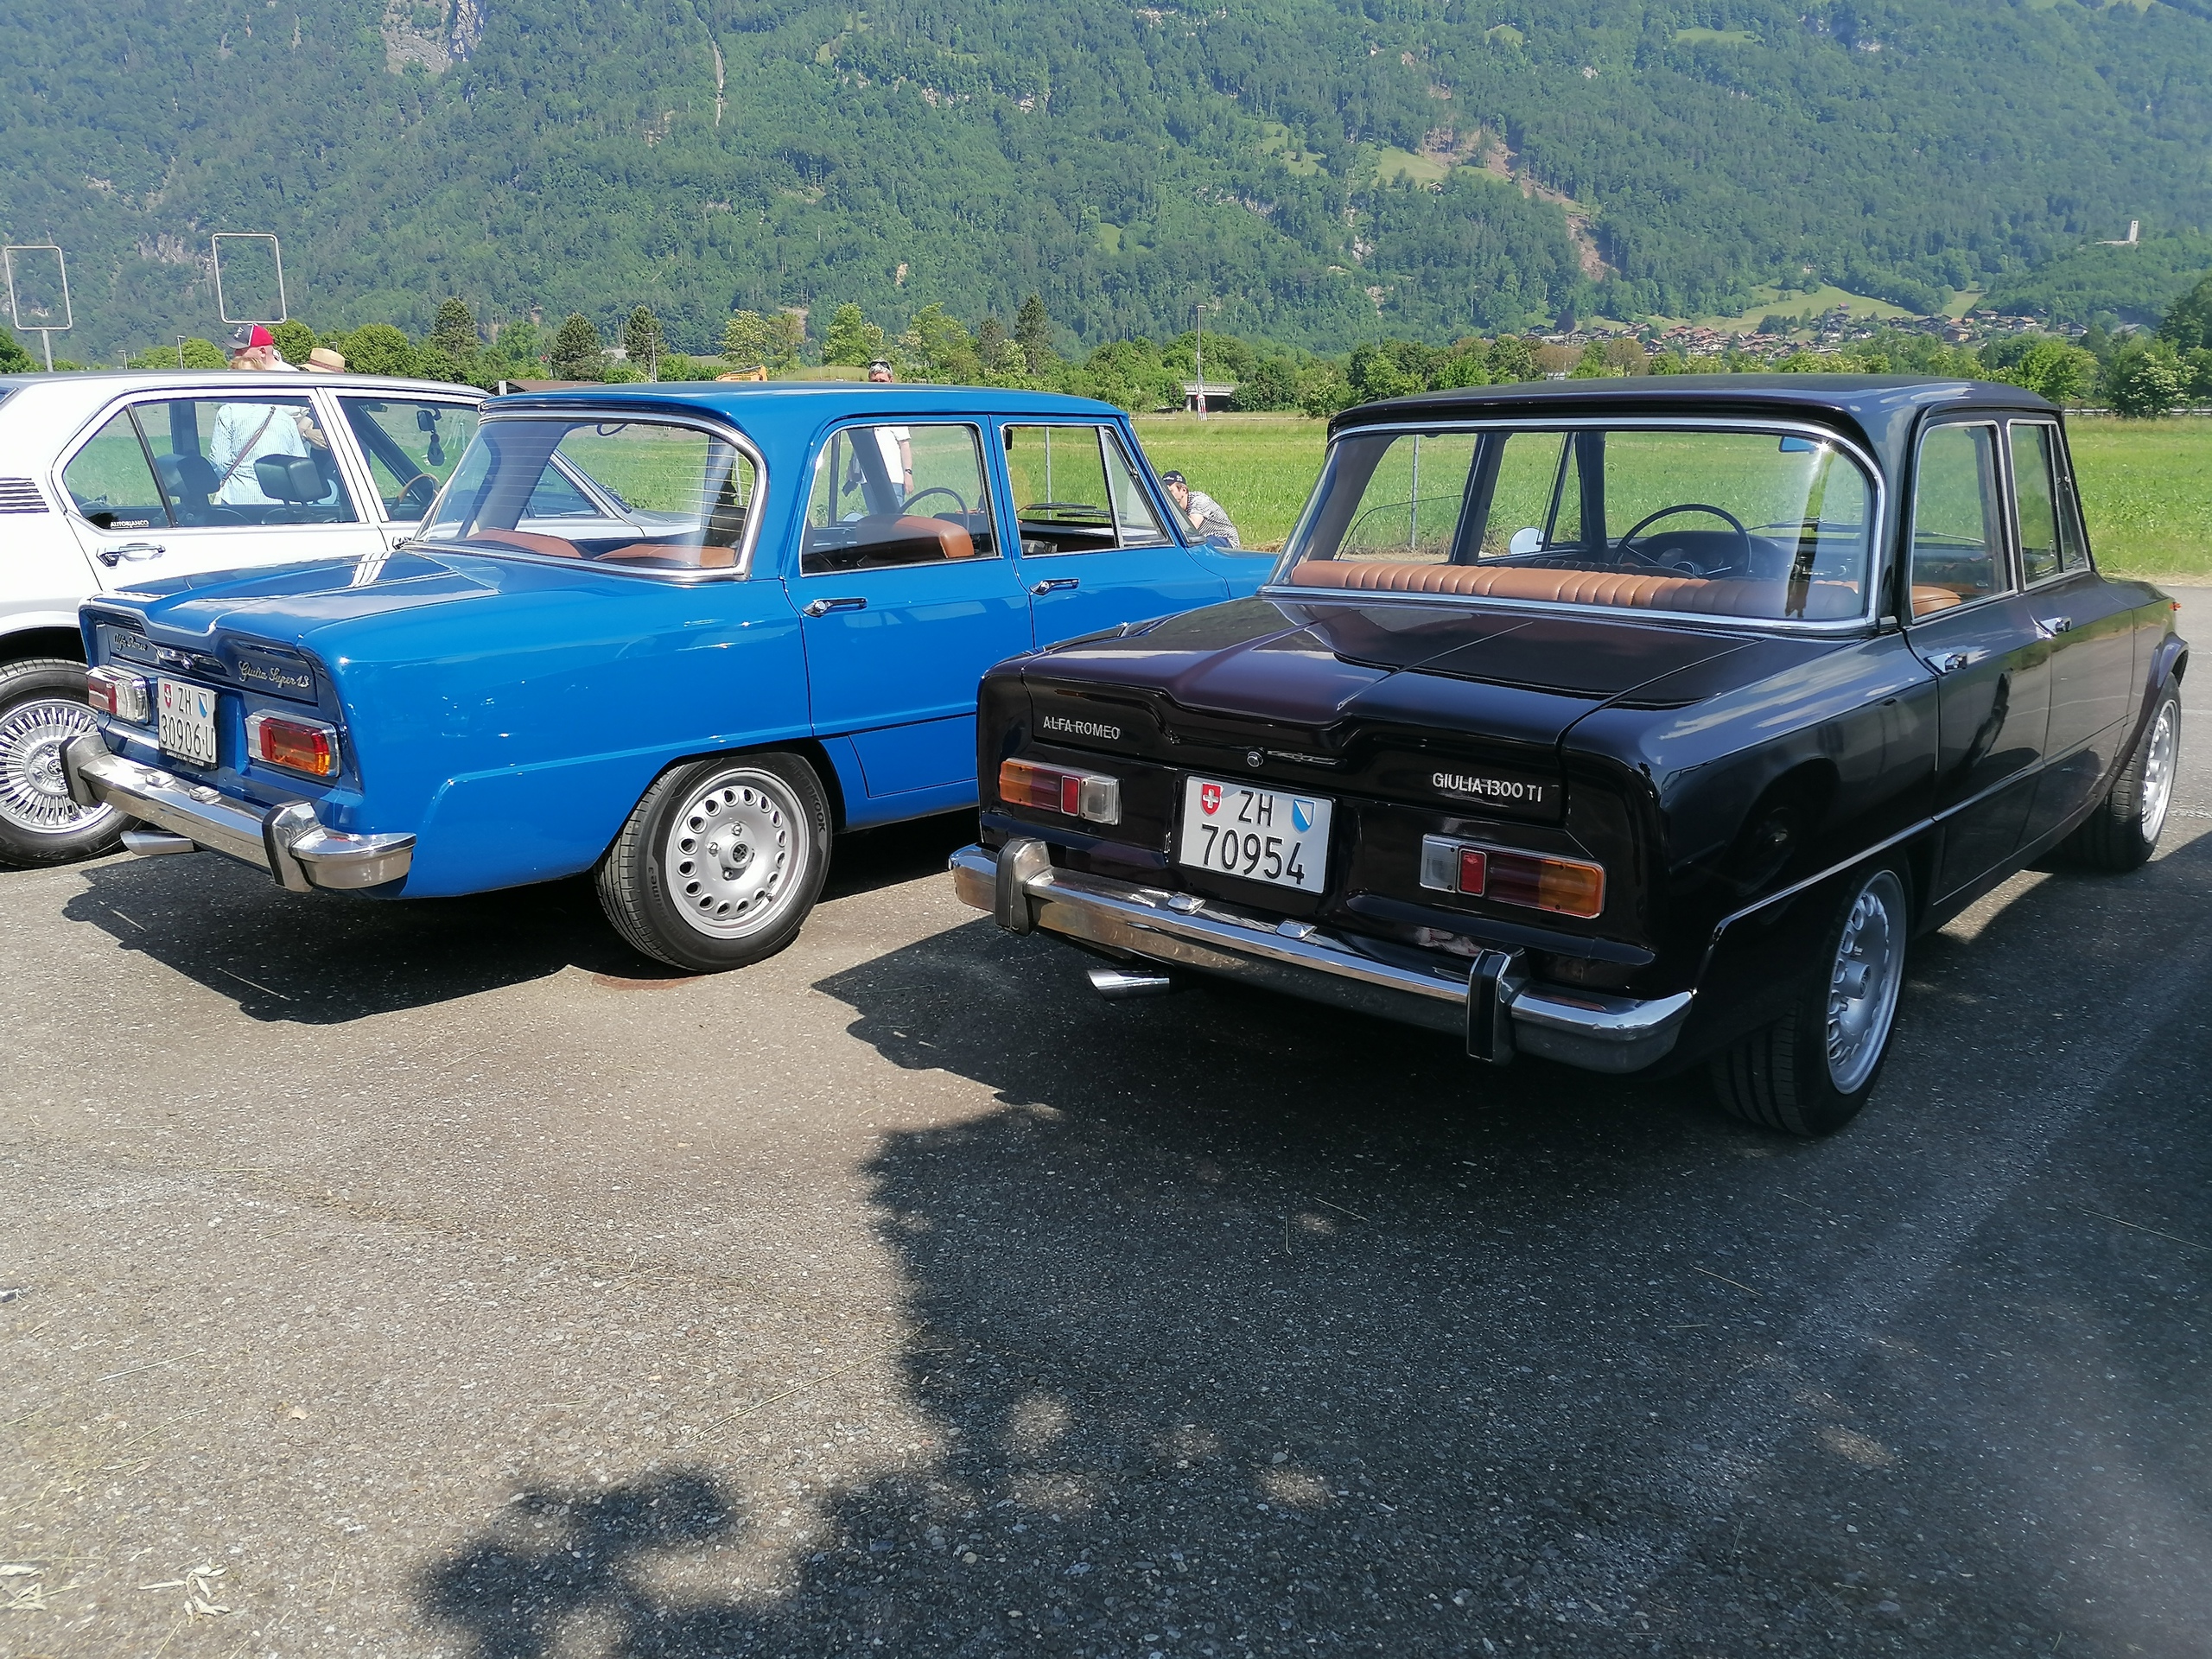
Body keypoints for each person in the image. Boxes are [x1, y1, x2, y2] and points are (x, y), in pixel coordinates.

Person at [864, 360, 912, 497]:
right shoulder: (865, 409)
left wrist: (908, 473)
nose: (878, 384)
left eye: (882, 381)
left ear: (891, 381)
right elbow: (861, 440)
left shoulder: (895, 409)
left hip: (893, 479)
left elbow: (904, 444)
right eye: (875, 381)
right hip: (867, 480)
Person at [1160, 469, 1239, 547]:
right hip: (1202, 539)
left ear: (1184, 490)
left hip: (1224, 539)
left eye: (1170, 491)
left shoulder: (1199, 499)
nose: (1167, 495)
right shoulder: (1176, 507)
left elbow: (1192, 527)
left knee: (1200, 546)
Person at [227, 323, 299, 372]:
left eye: (241, 350)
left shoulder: (291, 377)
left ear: (262, 352)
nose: (236, 353)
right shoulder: (233, 373)